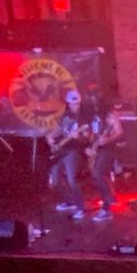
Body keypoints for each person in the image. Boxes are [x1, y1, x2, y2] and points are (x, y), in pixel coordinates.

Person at [48, 86, 94, 215]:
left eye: (77, 103)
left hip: (72, 150)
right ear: (68, 103)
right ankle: (69, 201)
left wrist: (77, 136)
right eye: (73, 103)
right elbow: (58, 129)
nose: (76, 106)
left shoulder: (83, 118)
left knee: (72, 180)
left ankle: (81, 208)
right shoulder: (65, 116)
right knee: (55, 181)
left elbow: (87, 138)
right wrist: (50, 137)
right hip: (60, 149)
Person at [84, 90, 123, 221]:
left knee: (97, 173)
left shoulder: (109, 114)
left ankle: (106, 209)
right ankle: (111, 198)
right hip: (96, 148)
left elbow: (119, 131)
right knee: (98, 175)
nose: (93, 103)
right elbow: (89, 134)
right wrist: (88, 147)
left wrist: (108, 139)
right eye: (91, 100)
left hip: (108, 148)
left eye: (95, 100)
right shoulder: (88, 115)